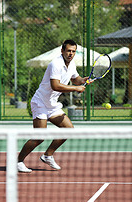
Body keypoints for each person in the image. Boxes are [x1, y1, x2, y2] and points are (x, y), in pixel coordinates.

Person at [18, 39, 91, 173]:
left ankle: (48, 155)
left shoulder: (71, 64)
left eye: (73, 51)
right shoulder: (55, 64)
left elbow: (75, 79)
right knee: (40, 136)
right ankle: (19, 161)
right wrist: (76, 89)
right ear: (62, 51)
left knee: (68, 129)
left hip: (52, 105)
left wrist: (83, 80)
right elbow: (55, 86)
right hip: (40, 103)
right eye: (68, 50)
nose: (71, 54)